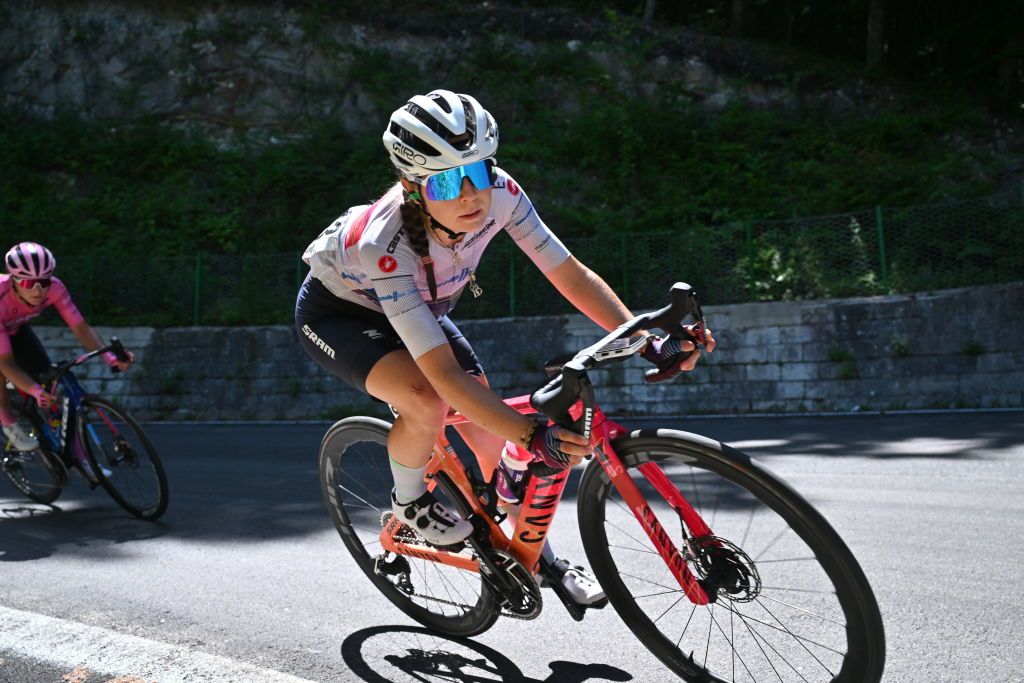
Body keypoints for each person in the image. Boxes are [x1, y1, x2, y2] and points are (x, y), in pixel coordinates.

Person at [296, 89, 715, 605]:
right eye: (449, 180)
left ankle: (532, 554)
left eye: (479, 170)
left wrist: (646, 338)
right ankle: (409, 502)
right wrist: (533, 432)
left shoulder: (502, 193)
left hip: (418, 311)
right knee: (428, 401)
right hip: (340, 314)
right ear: (413, 185)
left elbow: (570, 275)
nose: (471, 192)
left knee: (491, 439)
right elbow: (444, 378)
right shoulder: (384, 244)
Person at [0, 242, 132, 477]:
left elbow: (81, 329)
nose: (38, 290)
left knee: (51, 391)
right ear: (14, 281)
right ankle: (8, 422)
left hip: (15, 329)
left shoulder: (55, 289)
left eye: (45, 281)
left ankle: (81, 461)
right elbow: (6, 363)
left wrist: (110, 358)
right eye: (30, 283)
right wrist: (34, 391)